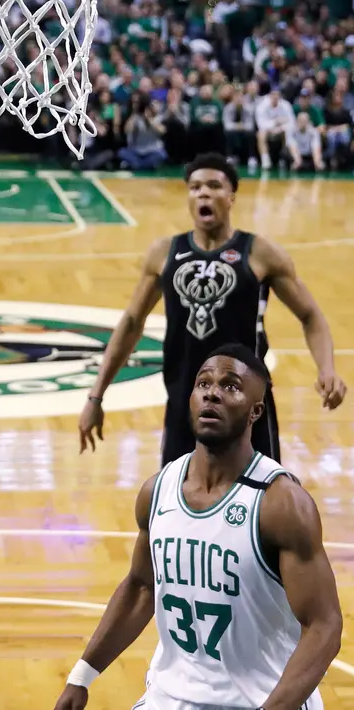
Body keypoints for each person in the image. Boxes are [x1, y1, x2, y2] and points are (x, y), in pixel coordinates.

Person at [54, 345, 342, 710]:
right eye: (203, 383)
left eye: (230, 386)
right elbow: (142, 587)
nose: (212, 393)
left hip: (258, 701)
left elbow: (325, 625)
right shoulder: (158, 490)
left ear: (256, 411)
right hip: (170, 698)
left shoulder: (281, 504)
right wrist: (82, 676)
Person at [78, 153, 345, 467]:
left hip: (247, 406)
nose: (203, 193)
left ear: (231, 196)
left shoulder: (260, 253)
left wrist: (326, 368)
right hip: (185, 403)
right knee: (178, 506)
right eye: (195, 187)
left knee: (260, 507)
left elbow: (310, 315)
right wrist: (96, 396)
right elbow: (133, 322)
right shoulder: (165, 253)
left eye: (214, 186)